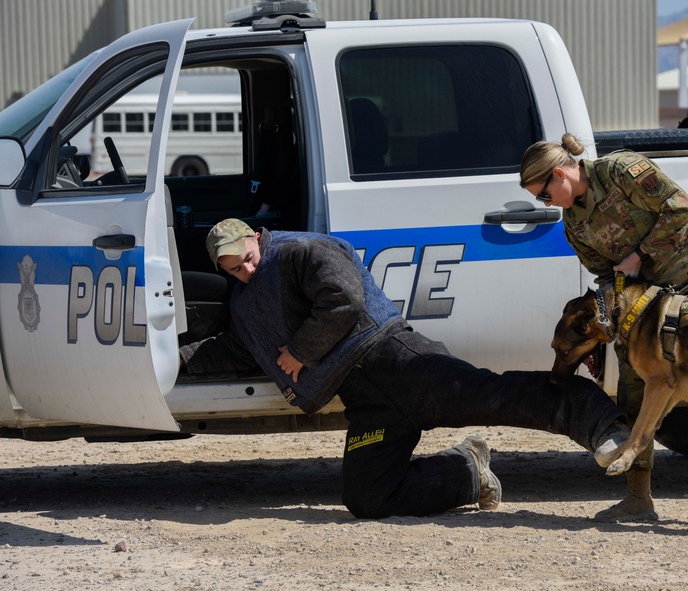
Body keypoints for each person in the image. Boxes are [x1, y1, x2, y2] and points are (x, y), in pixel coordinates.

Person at [180, 219, 634, 519]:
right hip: (366, 401)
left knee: (495, 395)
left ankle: (598, 421)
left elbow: (343, 301)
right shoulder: (244, 304)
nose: (245, 271)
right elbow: (237, 350)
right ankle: (467, 471)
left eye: (247, 259)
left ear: (257, 238)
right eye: (233, 270)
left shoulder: (304, 250)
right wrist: (165, 358)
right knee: (366, 498)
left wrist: (299, 351)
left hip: (395, 361)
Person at [519, 133, 688, 526]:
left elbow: (679, 210)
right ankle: (638, 497)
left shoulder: (621, 171)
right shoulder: (574, 225)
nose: (545, 204)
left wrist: (639, 255)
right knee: (633, 389)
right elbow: (608, 278)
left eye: (544, 194)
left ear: (560, 174)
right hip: (648, 307)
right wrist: (600, 331)